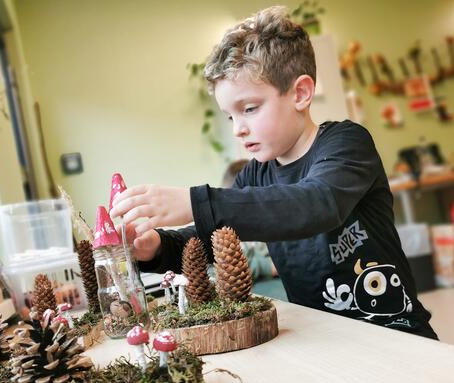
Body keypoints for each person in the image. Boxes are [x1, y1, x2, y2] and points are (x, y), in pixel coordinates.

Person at [110, 6, 437, 339]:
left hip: (397, 330)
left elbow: (316, 203)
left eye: (249, 109)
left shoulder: (346, 142)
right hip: (326, 339)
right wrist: (155, 247)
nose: (238, 128)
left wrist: (196, 201)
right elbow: (210, 239)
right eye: (229, 116)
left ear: (300, 93)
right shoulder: (255, 175)